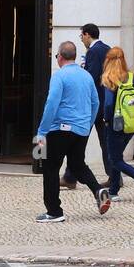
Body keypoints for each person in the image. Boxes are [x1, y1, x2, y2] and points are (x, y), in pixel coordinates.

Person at [36, 41, 112, 223]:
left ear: (60, 57)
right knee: (77, 165)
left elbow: (52, 103)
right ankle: (97, 189)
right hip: (81, 130)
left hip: (59, 128)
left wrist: (41, 130)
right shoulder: (86, 76)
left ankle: (54, 211)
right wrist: (87, 124)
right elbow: (95, 103)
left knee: (51, 167)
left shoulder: (59, 76)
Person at [100, 46, 134, 204]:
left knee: (114, 159)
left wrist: (106, 119)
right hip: (132, 124)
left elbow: (109, 104)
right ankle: (113, 191)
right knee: (117, 156)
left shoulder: (108, 78)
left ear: (108, 61)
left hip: (115, 125)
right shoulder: (131, 77)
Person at [59, 23, 111, 191]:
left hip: (93, 103)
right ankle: (113, 176)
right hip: (105, 101)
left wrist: (83, 69)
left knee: (77, 139)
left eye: (82, 36)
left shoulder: (94, 51)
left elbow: (91, 77)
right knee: (105, 141)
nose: (81, 40)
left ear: (88, 35)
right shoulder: (106, 48)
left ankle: (70, 177)